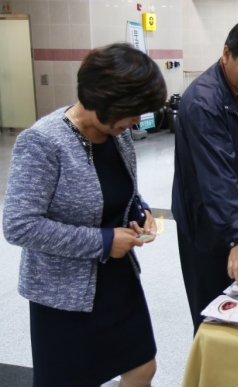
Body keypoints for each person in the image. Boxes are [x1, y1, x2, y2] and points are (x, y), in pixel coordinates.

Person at [3, 43, 166, 386]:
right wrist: (104, 240)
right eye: (134, 111)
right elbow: (19, 225)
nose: (138, 120)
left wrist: (142, 211)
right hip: (64, 293)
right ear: (107, 102)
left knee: (142, 366)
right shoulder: (43, 142)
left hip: (117, 280)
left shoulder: (115, 134)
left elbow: (121, 189)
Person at [172, 20, 238, 333]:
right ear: (226, 54)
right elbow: (216, 176)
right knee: (213, 314)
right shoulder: (204, 102)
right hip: (209, 221)